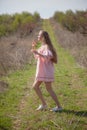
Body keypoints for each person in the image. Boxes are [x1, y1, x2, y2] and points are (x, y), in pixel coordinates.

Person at [31, 30, 62, 112]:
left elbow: (48, 57)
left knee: (49, 89)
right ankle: (44, 104)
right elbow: (37, 57)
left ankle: (59, 107)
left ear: (43, 37)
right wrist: (34, 48)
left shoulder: (47, 46)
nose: (38, 37)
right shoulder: (42, 46)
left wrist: (38, 53)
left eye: (39, 35)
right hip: (42, 71)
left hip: (46, 71)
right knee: (35, 86)